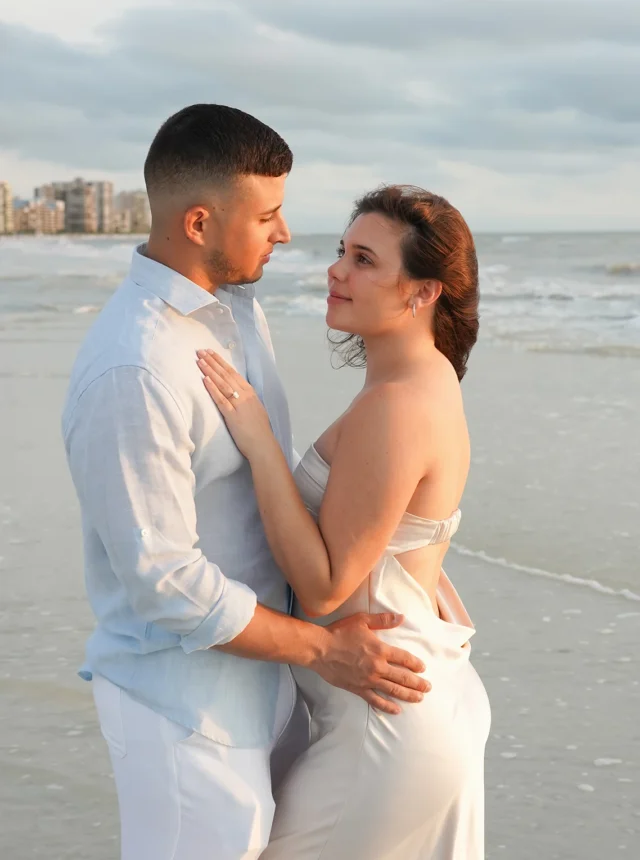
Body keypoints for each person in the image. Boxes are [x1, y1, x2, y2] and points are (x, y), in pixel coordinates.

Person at [61, 107, 430, 860]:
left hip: (265, 694)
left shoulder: (233, 312)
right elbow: (163, 582)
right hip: (184, 711)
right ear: (198, 222)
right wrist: (321, 651)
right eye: (268, 215)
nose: (285, 234)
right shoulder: (137, 367)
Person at [196, 183, 492, 859]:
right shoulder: (422, 381)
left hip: (386, 723)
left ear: (423, 293)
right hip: (400, 706)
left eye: (364, 259)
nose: (336, 270)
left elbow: (327, 585)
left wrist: (261, 443)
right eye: (341, 251)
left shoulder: (400, 403)